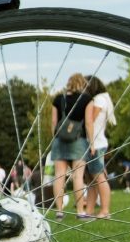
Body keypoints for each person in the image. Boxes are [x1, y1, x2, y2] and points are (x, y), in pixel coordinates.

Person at [49, 72, 92, 220]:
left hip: (60, 140)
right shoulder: (87, 100)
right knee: (78, 177)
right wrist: (91, 143)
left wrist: (56, 138)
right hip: (78, 140)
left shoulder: (58, 99)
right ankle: (80, 211)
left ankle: (59, 211)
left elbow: (54, 123)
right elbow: (88, 123)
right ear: (82, 83)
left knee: (59, 176)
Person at [83, 74, 116, 218]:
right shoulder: (101, 99)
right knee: (91, 180)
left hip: (95, 144)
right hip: (94, 143)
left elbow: (89, 120)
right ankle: (89, 211)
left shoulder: (99, 100)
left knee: (99, 177)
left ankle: (105, 210)